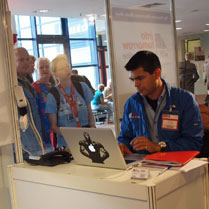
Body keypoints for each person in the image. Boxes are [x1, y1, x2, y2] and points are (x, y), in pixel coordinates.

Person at [118, 50, 203, 156]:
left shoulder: (185, 100)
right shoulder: (132, 104)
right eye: (132, 80)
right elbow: (125, 137)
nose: (136, 84)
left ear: (157, 73)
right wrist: (122, 145)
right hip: (142, 167)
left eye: (140, 78)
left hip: (174, 166)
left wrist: (160, 147)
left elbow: (194, 142)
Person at [45, 54, 95, 149]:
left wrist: (92, 128)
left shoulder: (82, 87)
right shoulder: (53, 94)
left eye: (67, 66)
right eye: (62, 68)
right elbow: (54, 126)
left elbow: (90, 113)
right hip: (67, 144)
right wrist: (73, 137)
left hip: (88, 140)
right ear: (55, 74)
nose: (67, 70)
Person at [14, 47, 44, 158]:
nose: (26, 63)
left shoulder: (27, 84)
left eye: (27, 59)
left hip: (36, 143)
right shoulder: (12, 85)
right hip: (23, 148)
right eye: (21, 60)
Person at [32, 57, 54, 152]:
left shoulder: (55, 87)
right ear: (36, 70)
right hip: (43, 135)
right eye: (41, 67)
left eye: (47, 67)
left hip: (57, 132)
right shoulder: (33, 88)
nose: (45, 69)